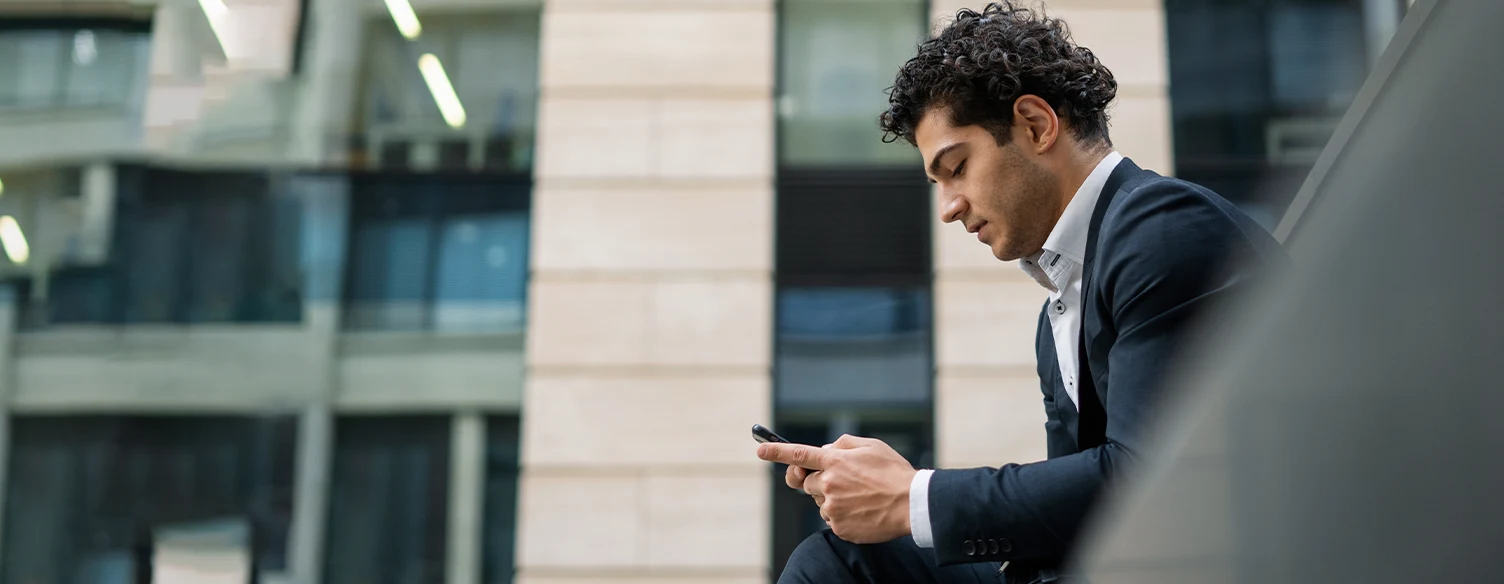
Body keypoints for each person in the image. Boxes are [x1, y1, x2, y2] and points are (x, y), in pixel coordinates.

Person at [755, 2, 1288, 583]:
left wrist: (912, 497)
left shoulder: (1163, 227)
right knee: (842, 556)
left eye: (956, 168)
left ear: (1035, 125)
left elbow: (1152, 481)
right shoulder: (1060, 304)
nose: (948, 208)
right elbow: (1070, 521)